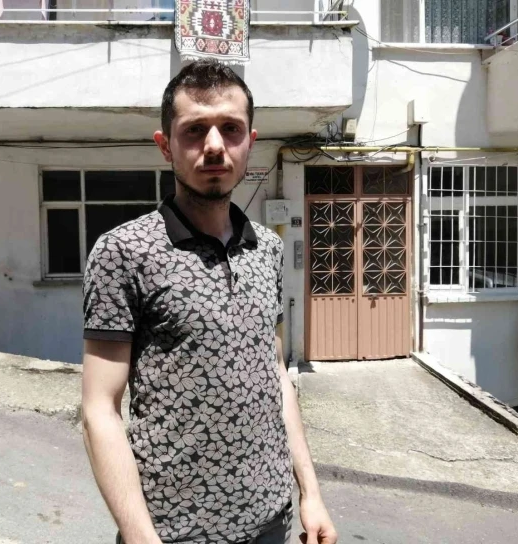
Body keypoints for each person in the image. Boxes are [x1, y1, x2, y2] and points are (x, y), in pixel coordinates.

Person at [82, 60, 337, 544]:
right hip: (173, 533)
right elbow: (100, 409)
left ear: (250, 142)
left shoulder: (267, 248)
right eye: (195, 130)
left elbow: (275, 375)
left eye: (230, 128)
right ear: (166, 146)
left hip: (273, 522)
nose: (215, 145)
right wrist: (140, 537)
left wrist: (310, 494)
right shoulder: (125, 252)